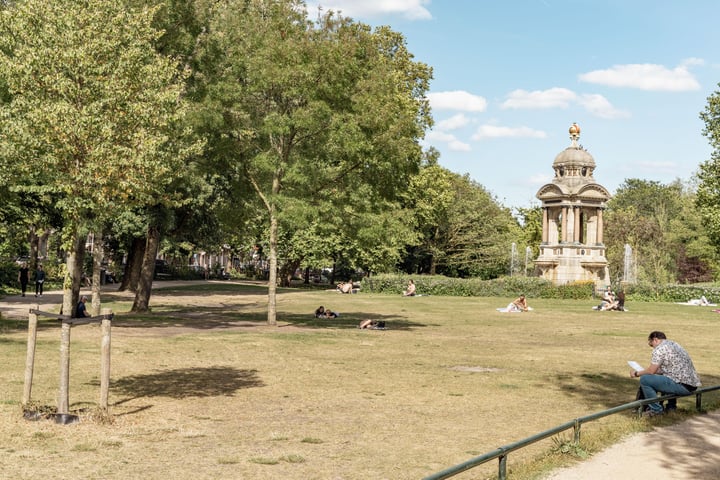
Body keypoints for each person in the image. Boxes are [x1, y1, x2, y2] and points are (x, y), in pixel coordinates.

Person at [630, 331, 701, 417]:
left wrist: (637, 373)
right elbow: (667, 370)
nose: (652, 347)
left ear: (655, 340)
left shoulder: (659, 349)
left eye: (651, 344)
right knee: (664, 377)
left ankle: (656, 410)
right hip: (692, 385)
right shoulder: (674, 345)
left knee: (645, 379)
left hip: (682, 386)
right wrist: (649, 371)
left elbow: (651, 371)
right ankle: (671, 407)